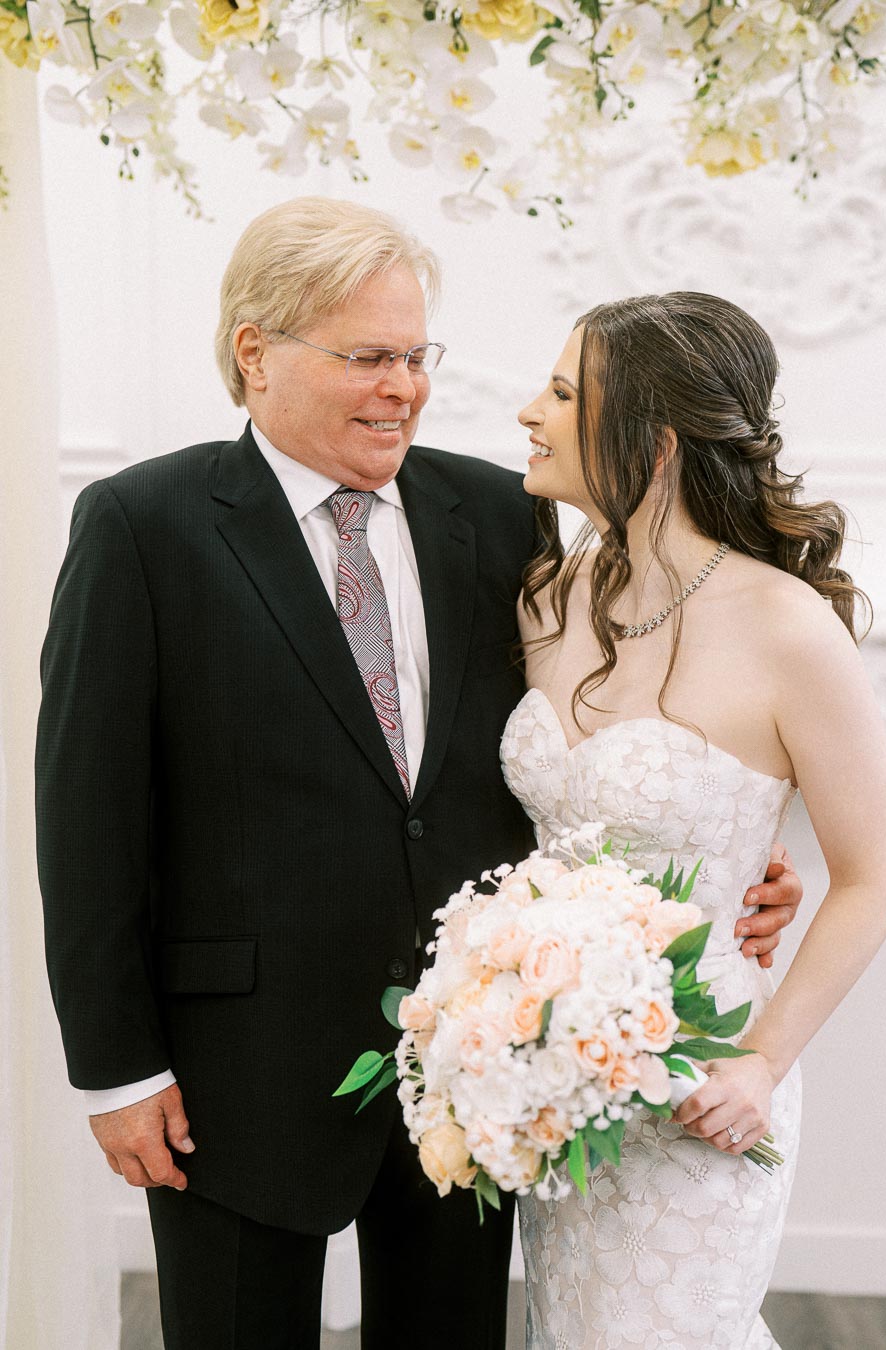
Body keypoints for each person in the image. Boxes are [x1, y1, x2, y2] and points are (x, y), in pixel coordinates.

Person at [35, 202, 800, 1349]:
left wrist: (727, 863)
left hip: (483, 1070)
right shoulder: (142, 525)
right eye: (367, 358)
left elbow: (600, 728)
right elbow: (87, 822)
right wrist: (114, 1071)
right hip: (230, 1071)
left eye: (414, 356)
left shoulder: (503, 515)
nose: (404, 386)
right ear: (256, 351)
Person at [503, 290, 886, 1348]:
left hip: (703, 1076)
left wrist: (762, 1064)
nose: (525, 412)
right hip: (560, 1080)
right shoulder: (547, 594)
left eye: (558, 391)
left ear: (655, 439)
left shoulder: (789, 627)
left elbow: (876, 871)